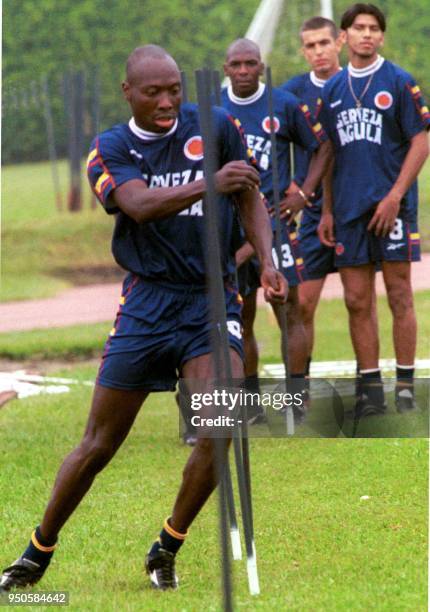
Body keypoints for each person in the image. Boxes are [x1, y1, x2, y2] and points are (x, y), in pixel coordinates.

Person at [0, 45, 286, 593]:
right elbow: (137, 205)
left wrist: (267, 260)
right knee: (98, 445)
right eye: (153, 91)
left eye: (174, 89)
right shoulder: (109, 148)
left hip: (210, 301)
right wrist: (211, 182)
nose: (167, 101)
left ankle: (166, 547)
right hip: (147, 305)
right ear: (128, 91)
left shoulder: (217, 125)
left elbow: (247, 193)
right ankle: (38, 551)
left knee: (219, 424)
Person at [317, 3, 430, 415]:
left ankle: (403, 385)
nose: (367, 34)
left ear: (382, 37)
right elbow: (327, 150)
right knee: (356, 300)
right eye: (358, 28)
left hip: (391, 207)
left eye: (374, 28)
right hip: (348, 209)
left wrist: (395, 195)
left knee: (399, 294)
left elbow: (422, 140)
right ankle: (370, 390)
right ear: (343, 37)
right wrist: (327, 210)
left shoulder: (399, 82)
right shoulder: (331, 90)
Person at [222, 38, 332, 412]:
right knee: (242, 314)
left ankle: (296, 396)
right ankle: (250, 400)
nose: (242, 71)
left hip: (275, 226)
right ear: (225, 70)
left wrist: (303, 192)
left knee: (291, 309)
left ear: (261, 66)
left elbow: (323, 146)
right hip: (232, 230)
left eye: (250, 64)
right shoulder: (214, 109)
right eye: (235, 65)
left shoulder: (282, 103)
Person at [281, 17, 343, 376]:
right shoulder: (291, 93)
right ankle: (299, 390)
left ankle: (390, 388)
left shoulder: (357, 83)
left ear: (340, 42)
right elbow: (272, 142)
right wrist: (293, 183)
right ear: (303, 50)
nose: (318, 51)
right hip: (312, 207)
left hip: (356, 206)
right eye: (310, 45)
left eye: (324, 43)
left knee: (361, 300)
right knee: (302, 303)